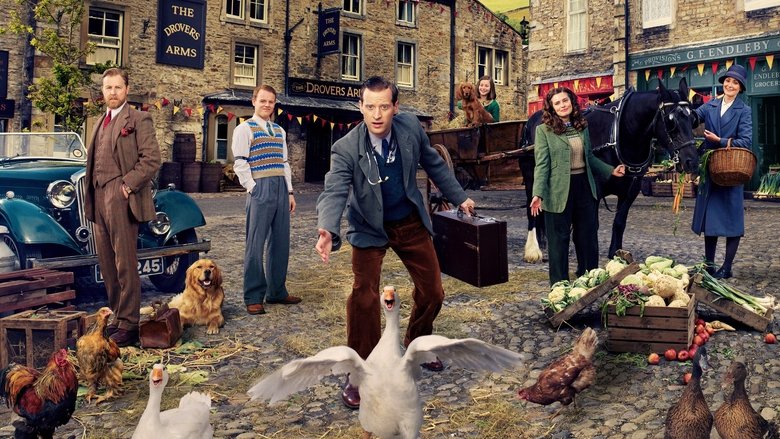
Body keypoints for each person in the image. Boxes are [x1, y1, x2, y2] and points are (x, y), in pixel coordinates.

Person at [315, 76, 475, 409]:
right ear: (360, 107)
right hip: (369, 227)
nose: (376, 114)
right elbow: (334, 190)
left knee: (433, 292)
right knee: (364, 295)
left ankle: (415, 344)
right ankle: (361, 373)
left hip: (409, 221)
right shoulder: (345, 147)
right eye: (370, 106)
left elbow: (434, 164)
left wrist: (459, 197)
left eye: (383, 107)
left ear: (395, 107)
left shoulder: (410, 129)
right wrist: (327, 229)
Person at [84, 68, 161, 347]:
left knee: (124, 262)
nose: (113, 93)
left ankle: (129, 324)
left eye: (117, 87)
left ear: (126, 89)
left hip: (121, 195)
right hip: (97, 195)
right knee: (106, 262)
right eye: (108, 88)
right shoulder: (98, 122)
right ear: (102, 92)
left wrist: (126, 186)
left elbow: (151, 160)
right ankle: (117, 317)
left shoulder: (138, 119)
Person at [529, 86, 626, 285]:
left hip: (584, 187)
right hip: (557, 190)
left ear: (572, 102)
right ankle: (559, 287)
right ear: (551, 107)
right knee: (558, 242)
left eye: (565, 101)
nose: (562, 105)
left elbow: (589, 157)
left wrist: (610, 170)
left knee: (588, 238)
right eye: (557, 103)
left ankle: (589, 282)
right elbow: (542, 165)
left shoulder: (582, 126)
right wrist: (538, 193)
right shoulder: (543, 131)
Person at [232, 84, 301, 315]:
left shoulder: (279, 131)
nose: (267, 105)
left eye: (271, 102)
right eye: (263, 100)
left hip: (281, 186)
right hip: (260, 187)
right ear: (254, 101)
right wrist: (252, 188)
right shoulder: (245, 129)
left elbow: (284, 164)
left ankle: (276, 292)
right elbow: (240, 162)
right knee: (255, 243)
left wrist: (290, 192)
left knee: (281, 242)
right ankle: (253, 295)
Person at [692, 64, 752, 280]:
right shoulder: (710, 106)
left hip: (731, 170)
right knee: (711, 219)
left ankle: (726, 267)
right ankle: (709, 265)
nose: (730, 84)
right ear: (723, 82)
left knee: (732, 219)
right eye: (728, 80)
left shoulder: (743, 110)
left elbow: (746, 141)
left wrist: (721, 141)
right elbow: (691, 117)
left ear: (741, 88)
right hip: (711, 169)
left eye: (735, 82)